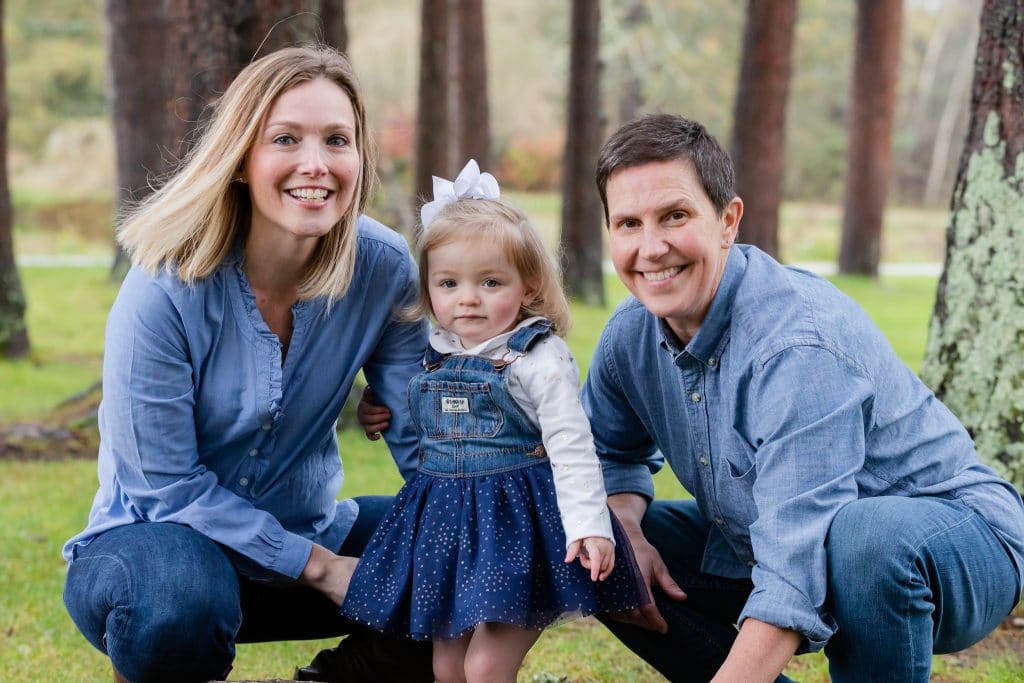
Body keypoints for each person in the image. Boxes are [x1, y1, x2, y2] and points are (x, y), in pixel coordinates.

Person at [578, 113, 1024, 682]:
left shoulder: (796, 347)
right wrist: (627, 528)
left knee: (862, 541)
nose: (651, 247)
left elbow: (796, 562)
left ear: (727, 220)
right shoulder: (630, 336)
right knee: (598, 545)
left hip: (955, 541)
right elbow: (608, 453)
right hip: (769, 536)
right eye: (628, 224)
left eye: (675, 216)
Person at [61, 46, 433, 683]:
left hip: (311, 528)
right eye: (285, 139)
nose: (315, 165)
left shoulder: (383, 267)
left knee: (466, 549)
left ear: (359, 157)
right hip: (156, 551)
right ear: (240, 159)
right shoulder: (164, 285)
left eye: (337, 140)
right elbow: (167, 490)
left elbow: (425, 441)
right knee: (179, 601)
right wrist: (318, 565)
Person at [343, 160, 649, 683]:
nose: (467, 298)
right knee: (446, 665)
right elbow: (427, 412)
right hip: (444, 523)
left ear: (528, 285)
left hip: (518, 522)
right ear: (428, 288)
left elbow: (573, 447)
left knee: (485, 665)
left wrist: (590, 526)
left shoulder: (537, 358)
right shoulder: (434, 351)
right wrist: (379, 407)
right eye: (449, 282)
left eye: (489, 282)